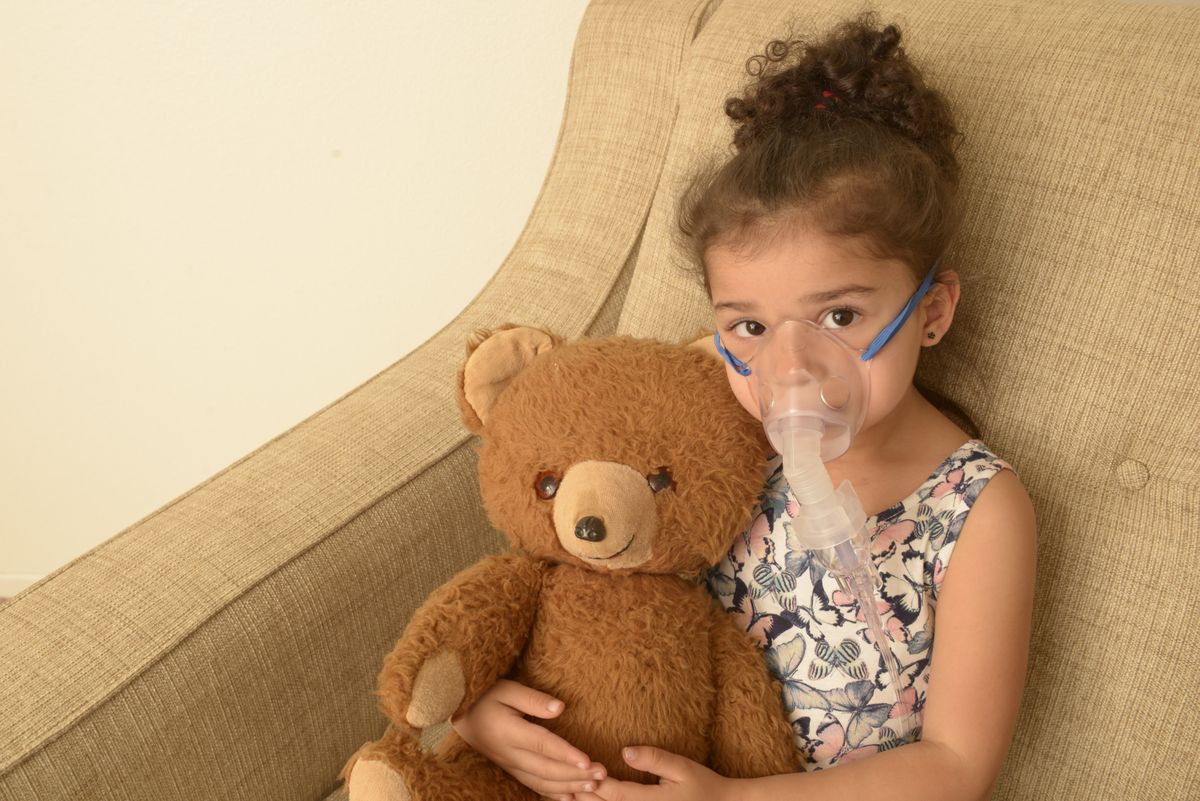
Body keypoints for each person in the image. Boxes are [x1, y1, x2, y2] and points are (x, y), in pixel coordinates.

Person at [451, 14, 1037, 801]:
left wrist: (730, 800)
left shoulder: (978, 510)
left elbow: (957, 766)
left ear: (931, 310)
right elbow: (569, 561)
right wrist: (481, 710)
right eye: (751, 327)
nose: (790, 370)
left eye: (839, 316)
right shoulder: (712, 417)